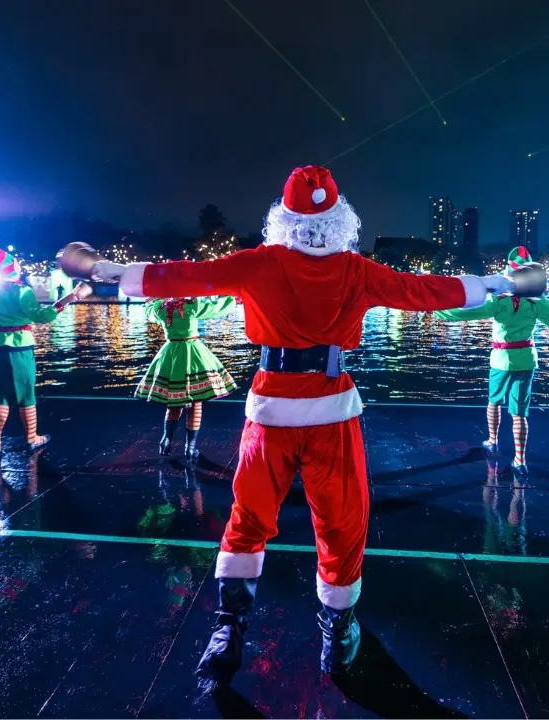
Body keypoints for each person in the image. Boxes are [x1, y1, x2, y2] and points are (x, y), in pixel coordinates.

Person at [70, 165, 519, 685]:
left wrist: (104, 268)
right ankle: (318, 622)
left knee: (256, 516)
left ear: (283, 217)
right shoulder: (353, 270)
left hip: (282, 409)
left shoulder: (267, 264)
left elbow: (185, 276)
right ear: (339, 216)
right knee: (337, 520)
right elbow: (423, 291)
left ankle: (238, 624)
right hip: (322, 410)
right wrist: (499, 283)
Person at [433, 246, 549, 473]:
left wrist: (436, 308)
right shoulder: (538, 302)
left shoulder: (498, 300)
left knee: (493, 402)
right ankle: (520, 459)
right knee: (519, 412)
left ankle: (492, 440)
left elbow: (466, 312)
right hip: (526, 360)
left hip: (500, 360)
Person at [0, 246, 90, 460]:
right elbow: (42, 316)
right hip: (19, 347)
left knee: (2, 395)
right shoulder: (21, 291)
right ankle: (32, 438)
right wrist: (68, 299)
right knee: (27, 394)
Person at [136, 296, 239, 457]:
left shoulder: (160, 307)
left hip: (170, 353)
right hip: (193, 352)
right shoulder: (191, 305)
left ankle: (166, 440)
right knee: (196, 403)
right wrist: (232, 299)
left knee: (175, 401)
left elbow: (148, 311)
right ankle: (190, 448)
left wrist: (150, 301)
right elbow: (216, 308)